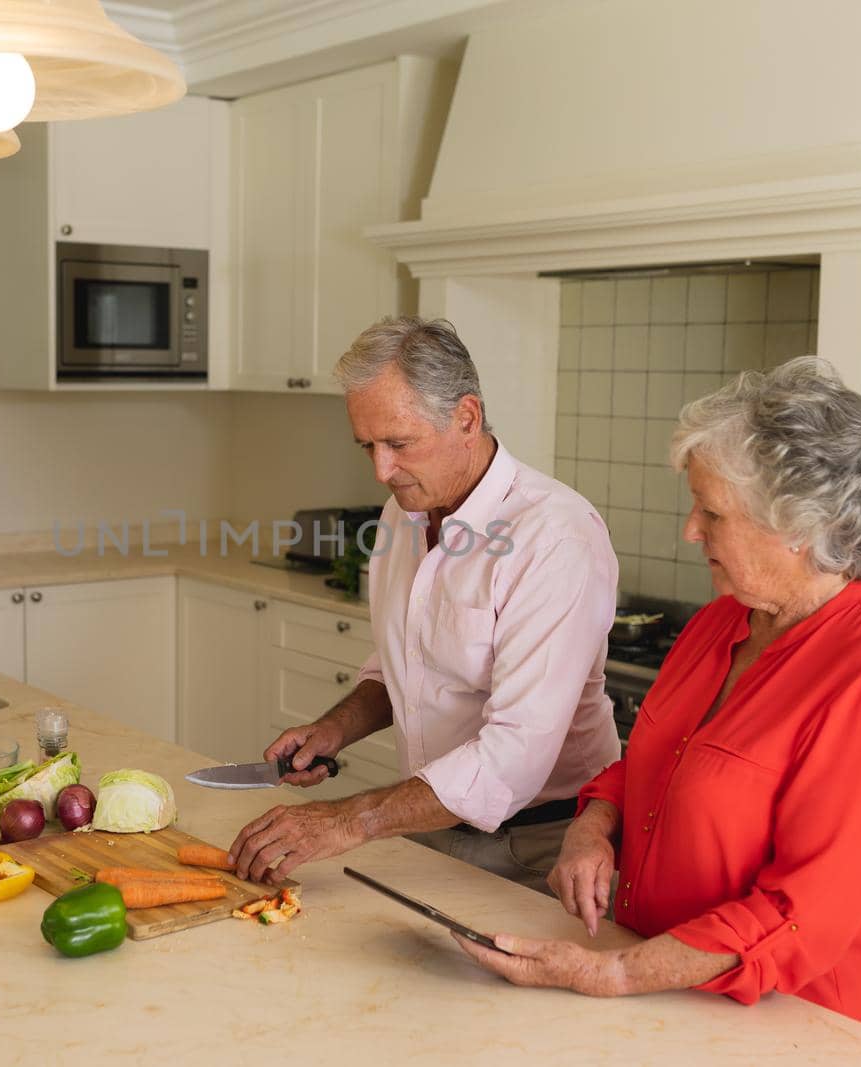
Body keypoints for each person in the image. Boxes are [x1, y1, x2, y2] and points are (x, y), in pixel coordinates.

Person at [454, 356, 861, 1036]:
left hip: (799, 1026)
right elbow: (657, 762)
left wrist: (615, 973)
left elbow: (799, 915)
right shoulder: (726, 616)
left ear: (798, 527)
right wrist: (592, 826)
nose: (690, 529)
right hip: (665, 991)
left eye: (712, 511)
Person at [228, 316, 621, 889]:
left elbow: (515, 754)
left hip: (541, 848)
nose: (382, 470)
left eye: (399, 443)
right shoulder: (403, 513)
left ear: (466, 417)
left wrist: (345, 820)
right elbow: (404, 663)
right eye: (368, 446)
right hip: (429, 825)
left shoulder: (555, 537)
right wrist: (335, 729)